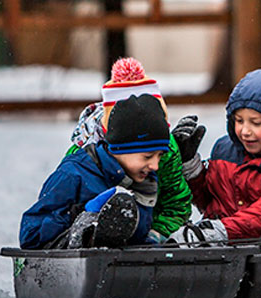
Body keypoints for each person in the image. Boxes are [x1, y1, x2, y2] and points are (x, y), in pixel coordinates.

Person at [20, 94, 170, 249]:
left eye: (160, 156)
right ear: (121, 148)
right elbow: (31, 235)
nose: (155, 166)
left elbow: (134, 240)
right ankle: (87, 235)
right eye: (148, 156)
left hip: (116, 266)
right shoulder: (74, 175)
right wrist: (79, 213)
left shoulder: (144, 182)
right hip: (69, 261)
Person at [67, 57, 191, 243]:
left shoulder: (167, 150)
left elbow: (176, 204)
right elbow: (57, 210)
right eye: (147, 155)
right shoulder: (82, 155)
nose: (155, 164)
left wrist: (156, 234)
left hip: (150, 237)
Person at [168, 69, 261, 243]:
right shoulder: (224, 151)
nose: (245, 131)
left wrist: (218, 231)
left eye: (256, 122)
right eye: (239, 120)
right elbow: (209, 199)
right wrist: (190, 167)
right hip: (215, 251)